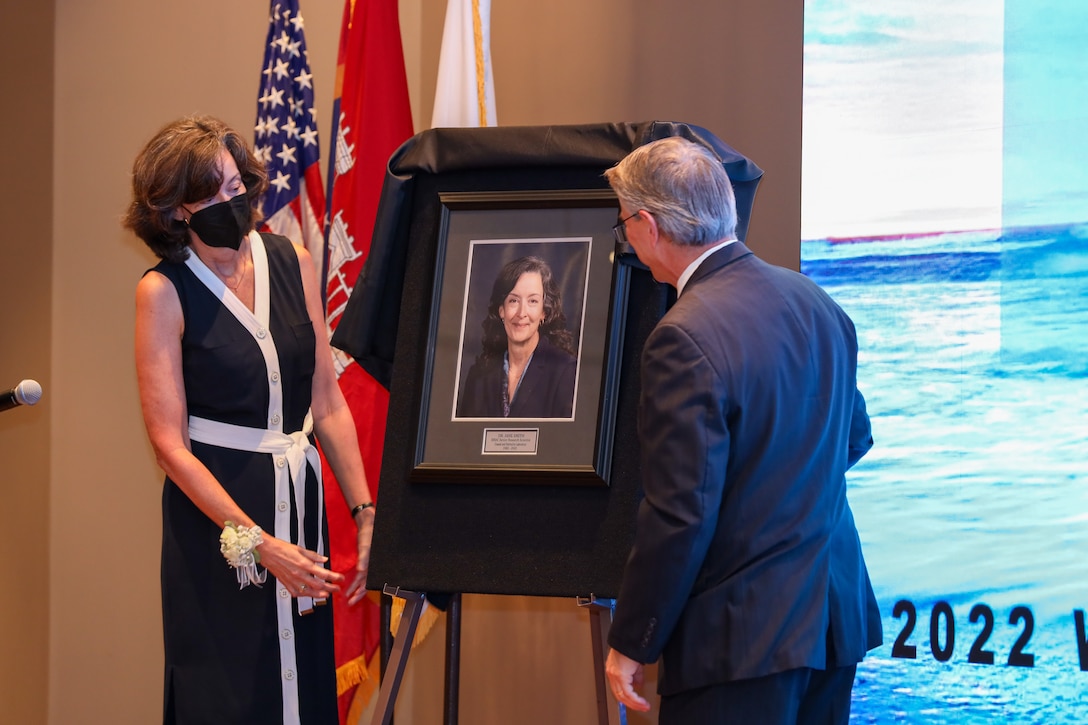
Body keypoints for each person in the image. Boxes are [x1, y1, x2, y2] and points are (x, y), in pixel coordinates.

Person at [602, 136, 882, 723]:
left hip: (740, 640)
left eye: (623, 222)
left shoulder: (682, 335)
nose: (625, 237)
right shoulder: (816, 303)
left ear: (648, 224)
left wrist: (632, 639)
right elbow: (852, 438)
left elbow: (680, 514)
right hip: (832, 621)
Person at [125, 115, 375, 724]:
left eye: (235, 188)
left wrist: (366, 512)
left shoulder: (294, 259)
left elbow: (327, 398)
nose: (227, 204)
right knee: (235, 691)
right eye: (208, 196)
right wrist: (259, 544)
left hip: (302, 507)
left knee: (303, 686)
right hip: (221, 528)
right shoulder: (162, 293)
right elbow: (169, 447)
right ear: (173, 211)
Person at [456, 255, 578, 418]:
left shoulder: (565, 370)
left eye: (532, 301)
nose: (521, 313)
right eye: (513, 301)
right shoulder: (479, 375)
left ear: (544, 312)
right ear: (502, 310)